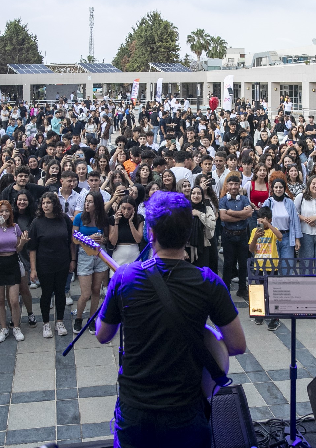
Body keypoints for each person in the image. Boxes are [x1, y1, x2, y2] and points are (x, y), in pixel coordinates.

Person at [95, 190, 246, 448]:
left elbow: (103, 334)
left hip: (135, 409)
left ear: (151, 233)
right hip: (185, 410)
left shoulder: (125, 277)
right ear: (188, 234)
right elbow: (237, 345)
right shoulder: (208, 280)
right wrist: (206, 335)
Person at [27, 192, 75, 338]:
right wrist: (33, 269)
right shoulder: (37, 222)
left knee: (61, 292)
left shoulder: (64, 219)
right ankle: (46, 323)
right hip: (44, 264)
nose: (46, 205)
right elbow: (32, 248)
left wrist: (73, 260)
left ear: (55, 204)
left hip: (62, 262)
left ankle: (59, 321)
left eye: (49, 202)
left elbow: (71, 241)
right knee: (46, 294)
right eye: (43, 203)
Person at [0, 201, 29, 343]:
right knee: (0, 299)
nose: (4, 214)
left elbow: (17, 248)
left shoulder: (14, 227)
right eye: (1, 211)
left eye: (6, 211)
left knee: (14, 300)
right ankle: (3, 328)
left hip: (12, 262)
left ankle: (16, 326)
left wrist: (23, 242)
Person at [73, 192, 111, 335]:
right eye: (86, 201)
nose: (87, 204)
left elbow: (107, 237)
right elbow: (74, 239)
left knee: (96, 290)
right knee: (85, 293)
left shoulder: (102, 218)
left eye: (90, 202)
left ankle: (92, 319)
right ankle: (78, 318)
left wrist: (103, 240)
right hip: (85, 255)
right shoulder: (79, 217)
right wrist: (88, 238)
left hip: (100, 254)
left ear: (97, 204)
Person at [219, 174, 253, 301]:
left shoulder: (244, 199)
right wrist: (241, 215)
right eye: (231, 184)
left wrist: (231, 212)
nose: (234, 187)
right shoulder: (223, 200)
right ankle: (226, 289)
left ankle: (242, 289)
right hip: (228, 235)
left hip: (243, 235)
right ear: (227, 186)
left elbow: (249, 213)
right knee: (228, 263)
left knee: (243, 263)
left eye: (236, 184)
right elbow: (223, 217)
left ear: (239, 185)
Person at [249, 206, 283, 330]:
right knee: (258, 289)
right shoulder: (255, 231)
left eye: (265, 220)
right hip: (259, 265)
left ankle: (275, 317)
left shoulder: (272, 231)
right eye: (260, 220)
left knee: (272, 291)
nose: (262, 223)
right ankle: (259, 313)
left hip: (271, 265)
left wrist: (269, 224)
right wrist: (255, 238)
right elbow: (251, 249)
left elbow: (280, 236)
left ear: (269, 219)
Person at [260, 179, 301, 263]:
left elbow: (295, 221)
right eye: (276, 187)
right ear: (272, 189)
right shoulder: (268, 202)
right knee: (273, 265)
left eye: (281, 187)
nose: (278, 189)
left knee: (287, 264)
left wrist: (297, 239)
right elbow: (261, 220)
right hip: (271, 237)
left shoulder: (289, 202)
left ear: (284, 188)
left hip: (286, 237)